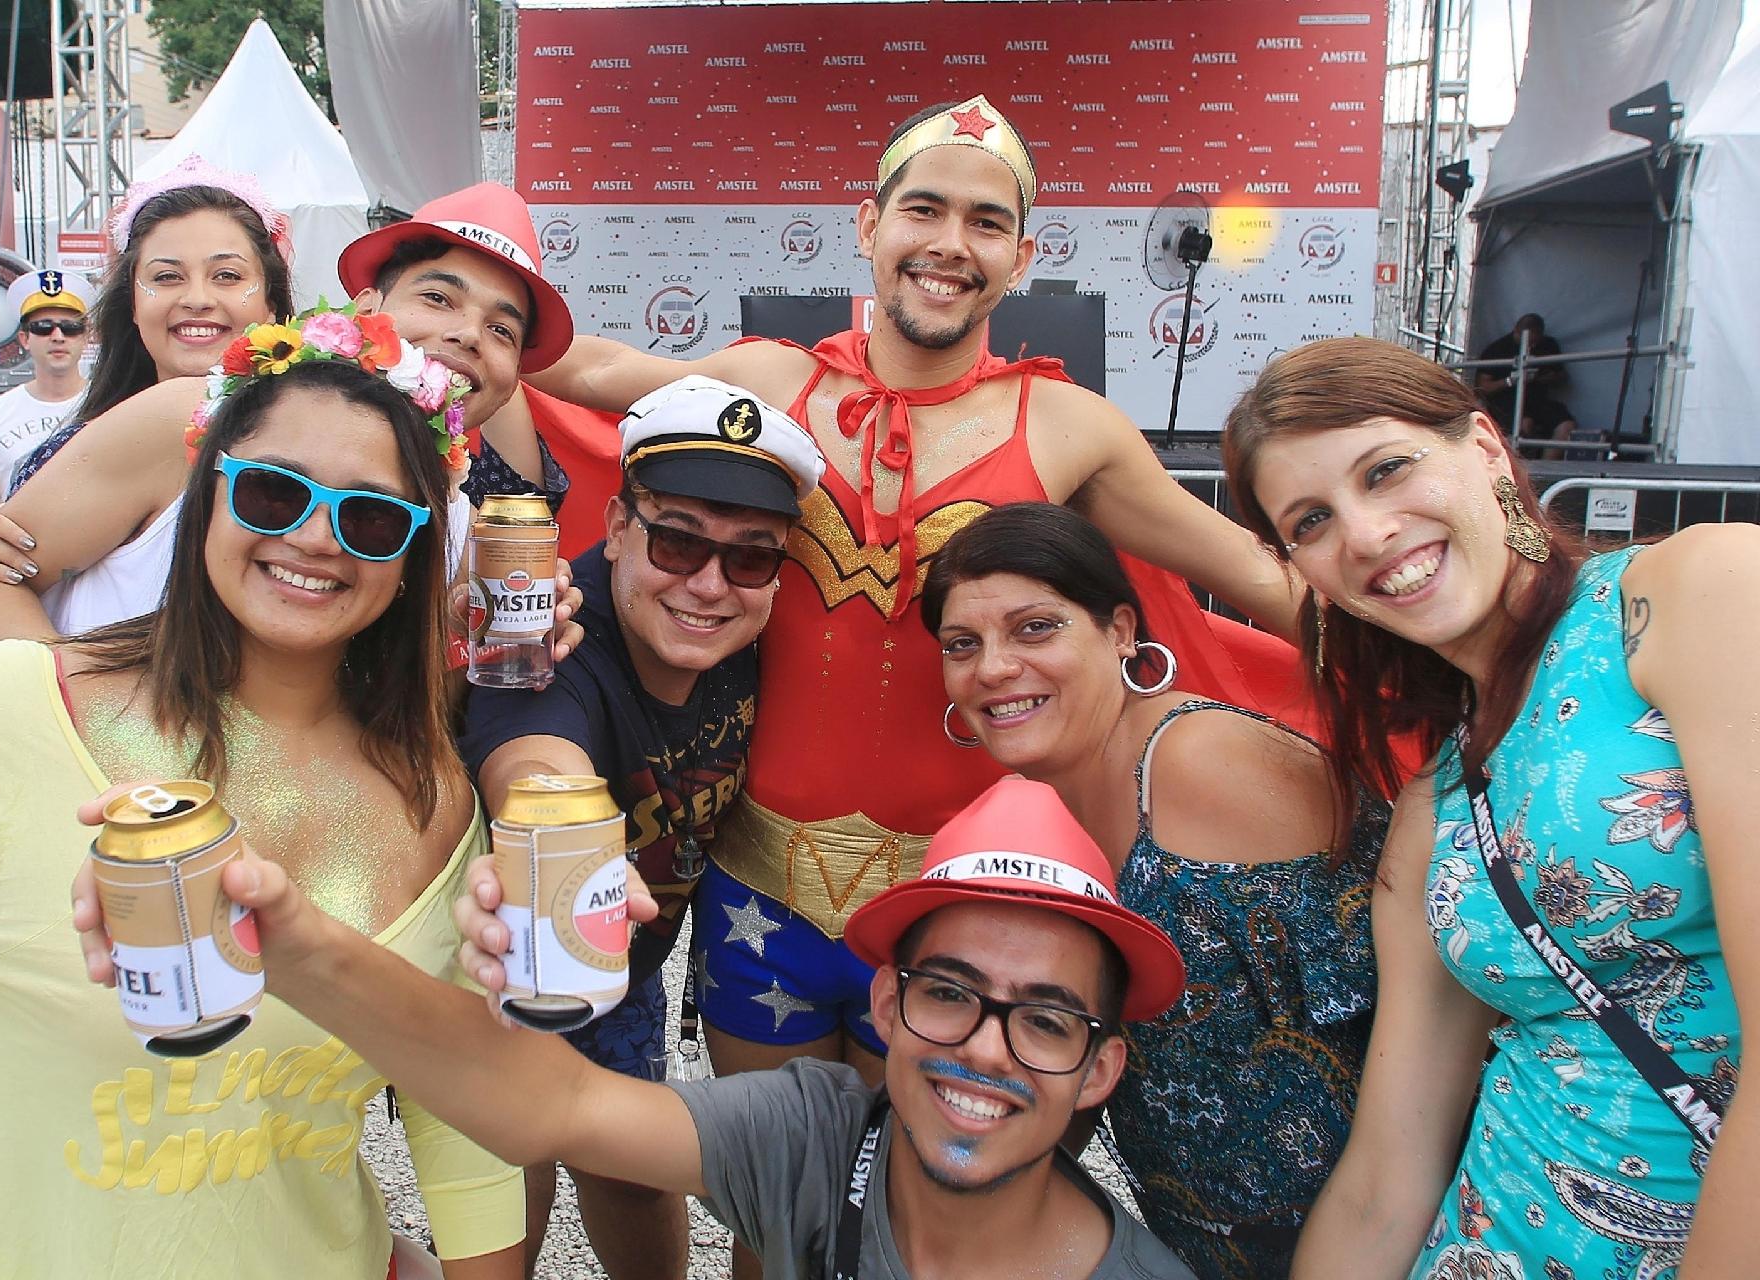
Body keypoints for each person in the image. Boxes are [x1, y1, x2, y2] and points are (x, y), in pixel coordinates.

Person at [518, 97, 1302, 1164]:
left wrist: (1459, 639)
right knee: (778, 1201)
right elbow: (589, 373)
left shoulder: (1068, 428)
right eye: (923, 209)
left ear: (1021, 256)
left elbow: (1257, 578)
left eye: (985, 222)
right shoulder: (771, 385)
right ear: (867, 226)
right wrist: (417, 332)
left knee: (940, 1200)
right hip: (764, 896)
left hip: (966, 909)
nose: (948, 243)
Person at [0, 333, 527, 1276]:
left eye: (371, 518)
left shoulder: (437, 796)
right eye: (275, 493)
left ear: (412, 556)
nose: (318, 537)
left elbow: (464, 1107)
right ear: (207, 495)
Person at [123, 774, 1200, 1280]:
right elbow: (553, 1102)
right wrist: (298, 943)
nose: (985, 1046)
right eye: (952, 991)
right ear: (886, 1006)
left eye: (1047, 1020)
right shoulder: (827, 1135)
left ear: (1102, 1065)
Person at [1220, 336, 1753, 1279]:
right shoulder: (1434, 808)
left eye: (1387, 471)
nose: (1367, 533)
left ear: (1484, 446)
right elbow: (1390, 1170)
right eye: (1311, 521)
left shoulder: (1695, 592)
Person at [919, 502, 1381, 1280]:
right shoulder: (1043, 806)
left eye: (1035, 628)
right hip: (1204, 1244)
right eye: (963, 644)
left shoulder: (1202, 765)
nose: (992, 668)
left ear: (1122, 631)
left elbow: (1408, 1030)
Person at [459, 375, 823, 1279]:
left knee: (627, 1173)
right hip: (508, 957)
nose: (709, 584)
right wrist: (567, 842)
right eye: (676, 540)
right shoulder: (556, 631)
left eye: (751, 557)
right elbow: (531, 749)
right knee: (512, 1170)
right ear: (619, 527)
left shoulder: (765, 634)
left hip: (628, 969)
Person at [0, 181, 570, 646]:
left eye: (503, 331)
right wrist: (96, 743)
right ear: (365, 311)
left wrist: (529, 632)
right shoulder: (192, 416)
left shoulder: (457, 519)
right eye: (438, 297)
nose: (466, 336)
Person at [0, 268, 96, 504]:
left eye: (70, 327)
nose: (58, 336)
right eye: (43, 327)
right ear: (24, 339)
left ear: (86, 336)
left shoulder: (114, 403)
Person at [1474, 313, 1577, 450]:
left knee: (1566, 426)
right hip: (1506, 403)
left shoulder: (1548, 345)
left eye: (1535, 342)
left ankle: (1547, 467)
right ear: (1516, 331)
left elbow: (1561, 377)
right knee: (1524, 425)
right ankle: (1522, 468)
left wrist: (1540, 377)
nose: (1531, 346)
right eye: (1528, 342)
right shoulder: (1497, 349)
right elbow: (1482, 387)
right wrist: (1510, 380)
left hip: (1538, 401)